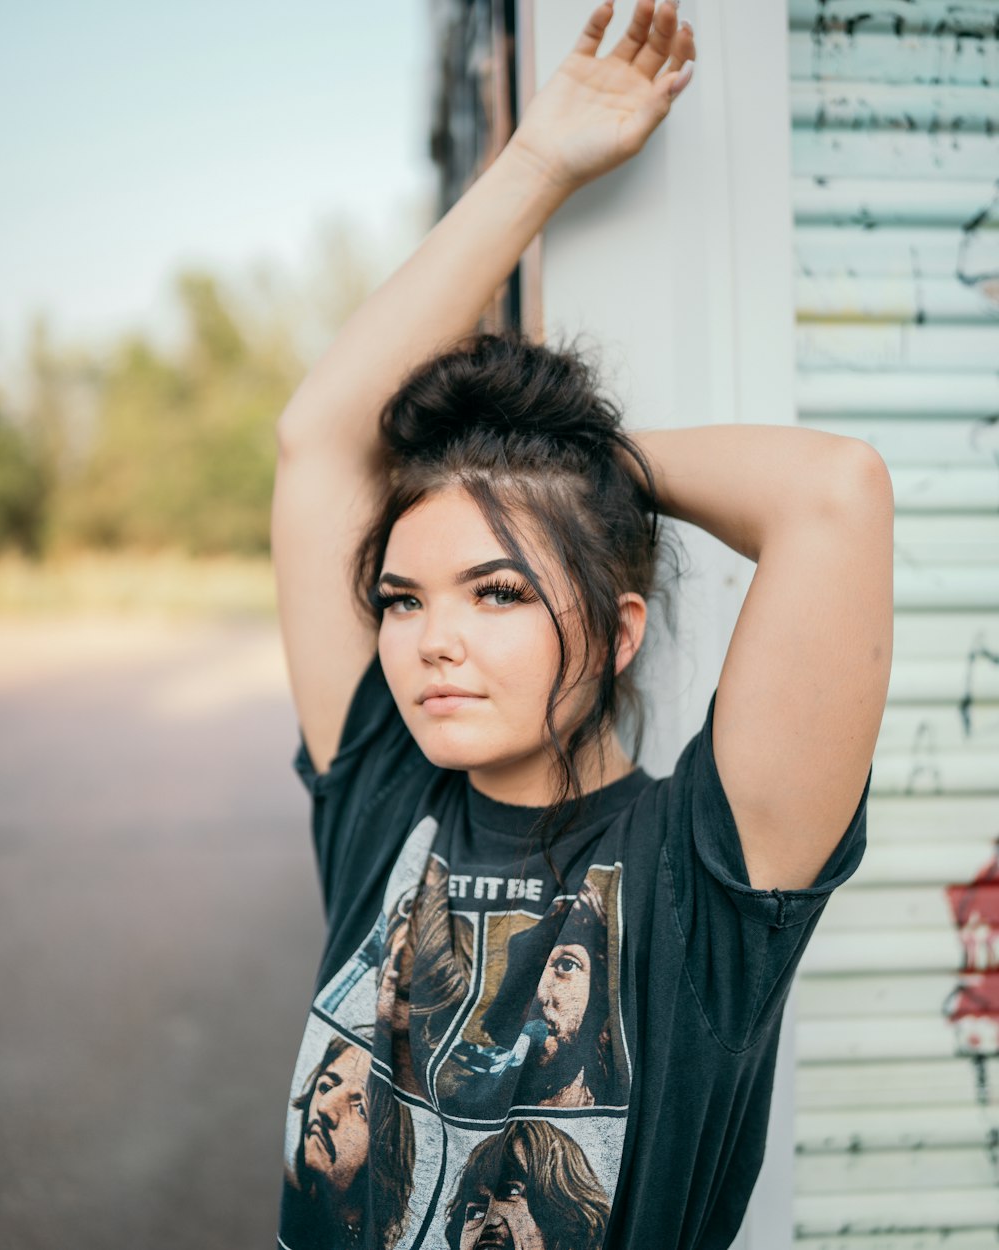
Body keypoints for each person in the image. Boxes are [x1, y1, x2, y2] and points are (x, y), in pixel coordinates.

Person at [270, 1, 894, 1246]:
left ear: (616, 631)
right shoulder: (385, 794)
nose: (428, 638)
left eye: (498, 589)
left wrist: (571, 468)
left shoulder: (704, 872)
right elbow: (318, 439)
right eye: (402, 597)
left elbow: (833, 494)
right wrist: (540, 161)